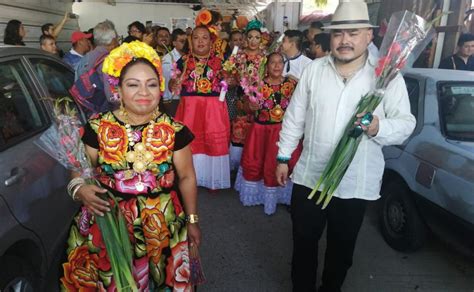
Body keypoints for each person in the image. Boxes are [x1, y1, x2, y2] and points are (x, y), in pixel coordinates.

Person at [276, 0, 416, 291]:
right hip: (310, 176)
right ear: (331, 37)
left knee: (341, 251)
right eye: (339, 34)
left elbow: (405, 124)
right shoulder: (315, 70)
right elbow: (294, 117)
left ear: (368, 36)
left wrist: (379, 127)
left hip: (355, 183)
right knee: (303, 243)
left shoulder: (386, 75)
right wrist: (283, 156)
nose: (345, 40)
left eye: (353, 33)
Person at [60, 41, 201, 290]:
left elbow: (187, 178)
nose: (143, 92)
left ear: (161, 89)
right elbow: (79, 170)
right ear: (119, 91)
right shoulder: (97, 128)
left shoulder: (175, 130)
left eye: (151, 84)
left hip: (162, 228)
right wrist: (78, 188)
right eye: (133, 85)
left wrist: (192, 220)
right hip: (108, 224)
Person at [235, 52, 298, 215]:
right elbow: (243, 106)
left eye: (280, 62)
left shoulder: (291, 84)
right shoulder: (257, 85)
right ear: (266, 66)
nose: (277, 66)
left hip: (284, 131)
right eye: (273, 63)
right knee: (259, 162)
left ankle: (284, 196)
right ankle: (260, 196)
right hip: (261, 131)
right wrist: (250, 106)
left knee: (283, 163)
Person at [171, 26, 231, 191]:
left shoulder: (221, 61)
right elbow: (172, 86)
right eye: (196, 37)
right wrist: (174, 83)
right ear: (191, 41)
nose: (200, 41)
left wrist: (231, 80)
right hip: (190, 109)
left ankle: (212, 180)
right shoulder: (182, 61)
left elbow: (233, 81)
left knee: (213, 143)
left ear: (211, 41)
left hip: (214, 110)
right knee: (190, 143)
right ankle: (189, 177)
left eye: (205, 37)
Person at [229, 20, 266, 171]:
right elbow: (230, 74)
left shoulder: (265, 57)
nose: (253, 40)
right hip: (240, 99)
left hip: (259, 99)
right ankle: (237, 168)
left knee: (256, 133)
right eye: (250, 37)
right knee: (239, 131)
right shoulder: (239, 56)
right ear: (245, 39)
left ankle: (253, 167)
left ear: (261, 39)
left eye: (257, 37)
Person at [73, 20, 119, 116]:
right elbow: (111, 96)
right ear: (112, 41)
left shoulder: (85, 58)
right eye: (116, 38)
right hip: (101, 112)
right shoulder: (108, 61)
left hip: (84, 108)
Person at [161, 28, 188, 116]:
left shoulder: (189, 57)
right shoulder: (168, 59)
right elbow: (165, 82)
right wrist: (167, 101)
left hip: (185, 98)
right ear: (174, 43)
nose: (185, 44)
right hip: (173, 99)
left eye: (186, 41)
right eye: (182, 41)